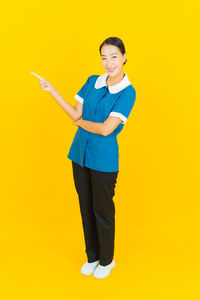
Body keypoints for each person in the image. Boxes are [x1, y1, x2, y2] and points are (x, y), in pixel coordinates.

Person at [40, 37, 136, 279]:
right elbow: (75, 112)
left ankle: (107, 260)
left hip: (104, 161)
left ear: (124, 57)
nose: (108, 62)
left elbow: (106, 128)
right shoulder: (93, 81)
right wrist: (52, 91)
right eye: (104, 57)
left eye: (114, 56)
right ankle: (92, 256)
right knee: (85, 208)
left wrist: (80, 123)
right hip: (80, 155)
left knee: (102, 210)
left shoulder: (127, 92)